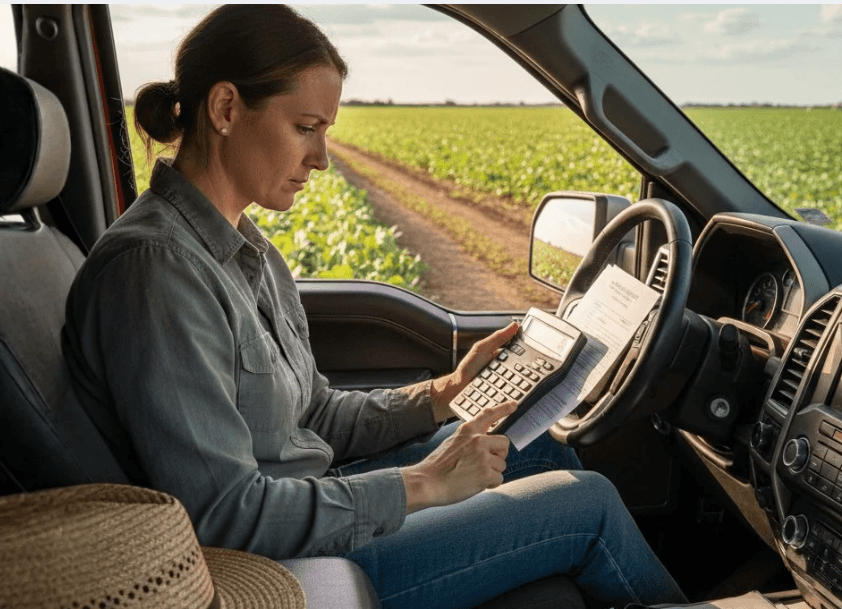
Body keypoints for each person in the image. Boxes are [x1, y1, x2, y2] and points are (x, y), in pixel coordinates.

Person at [62, 5, 686, 609]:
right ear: (226, 109)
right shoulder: (155, 272)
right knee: (589, 505)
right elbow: (224, 516)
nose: (322, 158)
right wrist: (425, 484)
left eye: (325, 132)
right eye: (305, 128)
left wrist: (445, 391)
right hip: (275, 567)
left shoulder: (245, 248)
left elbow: (312, 414)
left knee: (535, 449)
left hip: (309, 503)